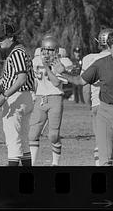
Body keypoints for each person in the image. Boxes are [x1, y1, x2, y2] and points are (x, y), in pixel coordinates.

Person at [53, 31, 113, 166]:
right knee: (106, 159)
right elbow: (80, 81)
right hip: (105, 113)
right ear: (109, 47)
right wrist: (63, 73)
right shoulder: (100, 64)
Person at [0, 23, 35, 166]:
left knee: (13, 140)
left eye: (2, 38)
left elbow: (21, 79)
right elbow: (6, 79)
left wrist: (5, 95)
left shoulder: (16, 53)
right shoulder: (18, 51)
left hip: (17, 97)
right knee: (23, 140)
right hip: (24, 97)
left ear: (11, 37)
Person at [29, 35, 73, 166]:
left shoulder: (61, 63)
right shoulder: (35, 61)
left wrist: (47, 67)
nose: (47, 53)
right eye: (44, 50)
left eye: (50, 50)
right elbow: (32, 81)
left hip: (55, 98)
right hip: (40, 98)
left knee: (53, 135)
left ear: (56, 51)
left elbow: (55, 82)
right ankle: (31, 164)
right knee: (32, 134)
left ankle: (55, 163)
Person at [81, 28, 113, 166]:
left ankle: (100, 165)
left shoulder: (89, 59)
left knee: (100, 139)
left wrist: (89, 103)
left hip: (97, 103)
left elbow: (85, 86)